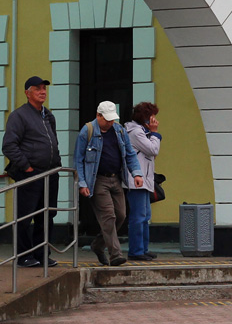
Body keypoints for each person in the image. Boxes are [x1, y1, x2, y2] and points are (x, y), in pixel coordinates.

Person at [74, 101, 143, 267]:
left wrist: (137, 173)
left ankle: (98, 245)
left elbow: (130, 154)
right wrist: (82, 183)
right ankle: (115, 255)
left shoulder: (119, 130)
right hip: (97, 180)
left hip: (116, 179)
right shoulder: (87, 131)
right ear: (98, 116)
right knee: (108, 216)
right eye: (107, 119)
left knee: (121, 215)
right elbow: (78, 159)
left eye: (112, 119)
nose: (110, 122)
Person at [2, 76, 61, 268]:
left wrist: (56, 165)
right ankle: (24, 256)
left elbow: (54, 142)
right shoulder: (19, 116)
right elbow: (9, 146)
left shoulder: (48, 115)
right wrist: (26, 167)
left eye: (44, 88)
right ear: (28, 93)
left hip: (50, 174)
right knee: (26, 217)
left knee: (47, 216)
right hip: (31, 174)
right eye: (38, 89)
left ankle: (42, 254)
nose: (43, 91)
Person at [124, 102, 162, 262]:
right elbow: (153, 150)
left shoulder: (142, 132)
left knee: (145, 215)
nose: (154, 120)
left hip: (144, 180)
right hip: (136, 181)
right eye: (152, 116)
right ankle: (136, 250)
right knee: (138, 216)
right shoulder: (135, 132)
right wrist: (155, 133)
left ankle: (143, 248)